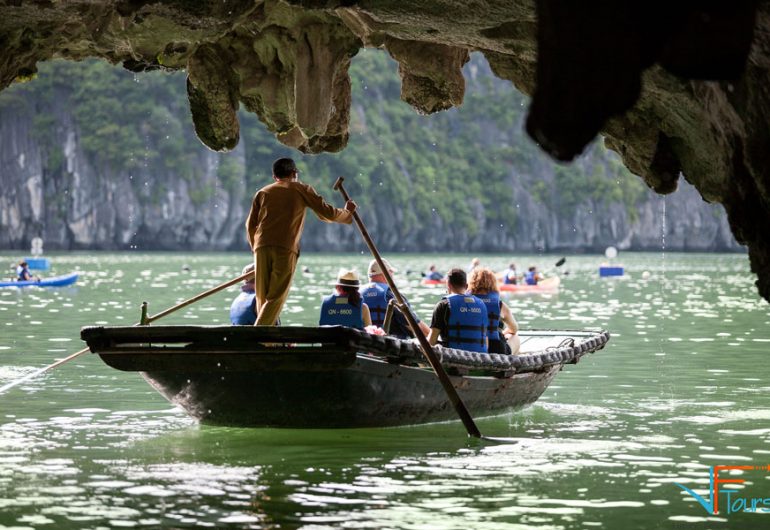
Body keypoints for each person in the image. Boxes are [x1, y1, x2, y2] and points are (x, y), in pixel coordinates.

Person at [245, 157, 356, 326]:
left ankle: (267, 342)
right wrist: (347, 213)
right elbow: (327, 213)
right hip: (285, 247)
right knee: (276, 297)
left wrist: (256, 249)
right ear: (294, 174)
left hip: (261, 247)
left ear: (275, 177)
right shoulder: (301, 189)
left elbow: (250, 225)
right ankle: (257, 338)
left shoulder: (263, 192)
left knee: (263, 297)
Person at [361, 258, 430, 339]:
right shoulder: (392, 295)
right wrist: (436, 339)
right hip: (391, 344)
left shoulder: (357, 293)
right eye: (391, 272)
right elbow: (418, 327)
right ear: (385, 274)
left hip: (364, 341)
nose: (392, 276)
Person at [428, 268, 488, 352]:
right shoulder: (482, 305)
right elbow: (485, 339)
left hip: (453, 357)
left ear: (448, 285)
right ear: (466, 286)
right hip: (480, 357)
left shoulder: (443, 305)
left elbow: (431, 341)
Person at [468, 267, 520, 355]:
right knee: (515, 337)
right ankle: (511, 361)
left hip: (470, 348)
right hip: (496, 350)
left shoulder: (464, 302)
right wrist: (503, 333)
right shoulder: (499, 305)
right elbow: (514, 329)